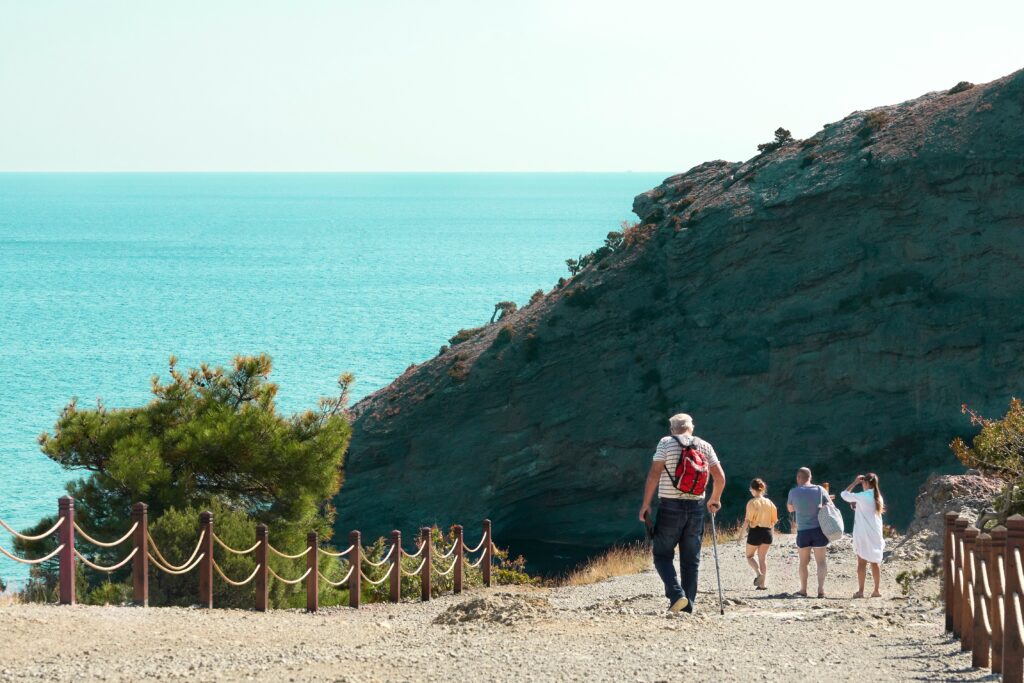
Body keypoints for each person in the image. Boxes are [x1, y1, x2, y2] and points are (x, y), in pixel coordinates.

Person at [639, 413, 726, 613]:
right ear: (691, 428)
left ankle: (677, 596)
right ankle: (689, 607)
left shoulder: (666, 443)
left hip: (670, 506)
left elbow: (654, 474)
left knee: (662, 554)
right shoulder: (705, 446)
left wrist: (646, 504)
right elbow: (720, 477)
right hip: (696, 508)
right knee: (691, 558)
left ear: (672, 429)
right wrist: (715, 499)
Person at [787, 467, 830, 598]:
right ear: (810, 477)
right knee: (821, 561)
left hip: (803, 531)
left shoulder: (793, 492)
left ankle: (803, 590)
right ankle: (821, 590)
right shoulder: (820, 489)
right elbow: (829, 506)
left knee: (803, 562)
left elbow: (790, 509)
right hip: (819, 530)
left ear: (798, 478)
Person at [841, 472, 886, 598]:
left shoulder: (863, 495)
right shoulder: (878, 497)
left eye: (862, 483)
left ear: (865, 483)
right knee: (875, 562)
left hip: (863, 533)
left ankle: (861, 591)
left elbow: (844, 495)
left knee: (862, 562)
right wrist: (857, 508)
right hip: (875, 533)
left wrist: (855, 482)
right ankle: (876, 590)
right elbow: (869, 511)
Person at [738, 478, 777, 590]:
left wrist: (740, 536)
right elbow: (773, 521)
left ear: (752, 489)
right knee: (762, 558)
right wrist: (772, 535)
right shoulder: (770, 503)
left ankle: (758, 574)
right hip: (768, 532)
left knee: (749, 556)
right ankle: (762, 584)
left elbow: (747, 521)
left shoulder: (752, 503)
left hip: (756, 532)